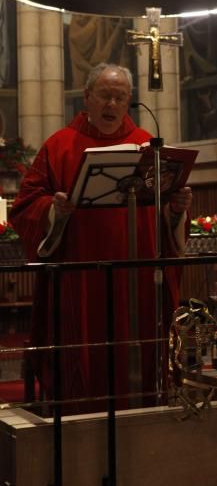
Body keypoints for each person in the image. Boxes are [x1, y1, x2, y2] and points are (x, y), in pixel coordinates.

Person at [10, 63, 192, 413]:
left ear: (129, 102)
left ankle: (143, 411)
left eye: (120, 98)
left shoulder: (146, 146)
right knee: (84, 352)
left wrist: (176, 211)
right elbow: (25, 206)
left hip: (136, 277)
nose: (112, 105)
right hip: (80, 278)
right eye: (105, 96)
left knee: (136, 349)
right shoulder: (59, 146)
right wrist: (53, 210)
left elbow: (164, 211)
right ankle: (80, 419)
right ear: (87, 97)